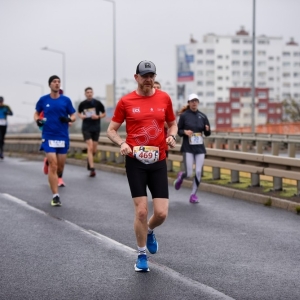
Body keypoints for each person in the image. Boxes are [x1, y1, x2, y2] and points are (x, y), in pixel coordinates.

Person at [107, 60, 178, 272]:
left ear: (154, 77)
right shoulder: (126, 101)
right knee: (141, 211)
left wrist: (172, 136)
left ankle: (148, 230)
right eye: (144, 75)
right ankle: (141, 255)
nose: (148, 79)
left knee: (162, 213)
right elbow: (111, 129)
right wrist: (122, 143)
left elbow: (172, 123)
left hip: (158, 160)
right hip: (135, 161)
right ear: (136, 77)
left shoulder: (164, 98)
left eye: (151, 75)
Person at [34, 75, 76, 206]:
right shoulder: (43, 100)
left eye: (58, 82)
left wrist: (69, 119)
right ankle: (55, 196)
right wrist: (37, 119)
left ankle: (50, 165)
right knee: (54, 165)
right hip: (48, 135)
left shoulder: (66, 100)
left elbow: (73, 115)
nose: (57, 84)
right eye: (54, 82)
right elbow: (36, 113)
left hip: (62, 136)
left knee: (60, 167)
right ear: (50, 85)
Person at [173, 93, 211, 203]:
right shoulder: (184, 116)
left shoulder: (203, 116)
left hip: (200, 148)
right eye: (192, 101)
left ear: (198, 103)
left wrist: (207, 129)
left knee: (198, 172)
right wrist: (185, 132)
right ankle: (181, 176)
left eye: (196, 101)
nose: (194, 103)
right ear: (189, 103)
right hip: (188, 148)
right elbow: (178, 131)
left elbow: (208, 133)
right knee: (189, 173)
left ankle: (193, 195)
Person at [41, 88, 67, 187]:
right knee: (54, 159)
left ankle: (59, 177)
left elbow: (71, 119)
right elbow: (41, 118)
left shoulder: (64, 106)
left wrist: (67, 120)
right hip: (49, 134)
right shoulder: (47, 105)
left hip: (62, 134)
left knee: (60, 160)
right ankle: (58, 178)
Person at [78, 87, 106, 177]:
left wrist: (98, 116)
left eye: (90, 92)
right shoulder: (82, 104)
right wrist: (81, 116)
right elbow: (78, 112)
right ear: (85, 94)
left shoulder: (97, 103)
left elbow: (104, 113)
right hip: (86, 128)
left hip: (96, 128)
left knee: (93, 150)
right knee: (90, 147)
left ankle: (89, 161)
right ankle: (92, 169)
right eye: (87, 92)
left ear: (93, 93)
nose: (89, 94)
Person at [153, 81, 170, 162]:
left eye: (158, 87)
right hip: (149, 142)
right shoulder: (145, 103)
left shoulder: (165, 104)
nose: (156, 89)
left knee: (163, 166)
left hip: (163, 142)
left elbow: (169, 124)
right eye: (154, 87)